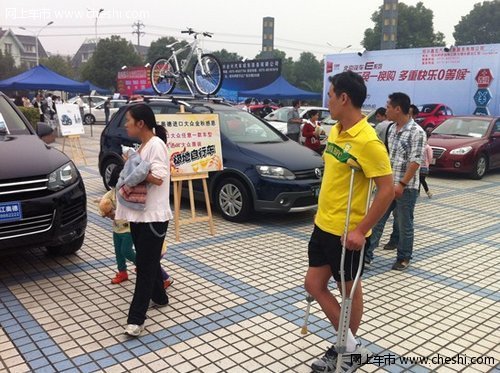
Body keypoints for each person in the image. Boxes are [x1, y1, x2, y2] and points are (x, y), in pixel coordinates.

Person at [305, 71, 394, 372]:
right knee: (314, 284)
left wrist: (360, 230)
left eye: (330, 95)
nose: (327, 101)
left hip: (346, 233)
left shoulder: (368, 141)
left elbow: (387, 189)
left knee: (349, 292)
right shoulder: (336, 131)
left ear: (344, 98)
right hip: (323, 225)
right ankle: (352, 346)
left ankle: (345, 348)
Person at [115, 103, 173, 337]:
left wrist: (134, 167)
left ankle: (136, 320)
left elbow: (159, 177)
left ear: (141, 123)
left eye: (128, 120)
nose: (126, 124)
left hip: (154, 218)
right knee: (147, 262)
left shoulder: (156, 145)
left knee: (145, 267)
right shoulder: (144, 145)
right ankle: (159, 296)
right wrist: (132, 161)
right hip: (140, 215)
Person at [365, 93, 426, 271]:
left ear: (398, 109)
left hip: (406, 189)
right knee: (376, 220)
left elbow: (415, 162)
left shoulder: (417, 132)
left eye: (389, 107)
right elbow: (388, 156)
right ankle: (367, 256)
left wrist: (401, 184)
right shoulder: (392, 128)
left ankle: (404, 257)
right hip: (387, 185)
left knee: (404, 224)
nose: (387, 110)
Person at [99, 166, 175, 287]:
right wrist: (105, 211)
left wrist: (115, 214)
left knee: (127, 251)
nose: (117, 187)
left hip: (129, 229)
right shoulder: (112, 193)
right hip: (117, 228)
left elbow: (134, 210)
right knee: (118, 252)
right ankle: (122, 272)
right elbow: (104, 204)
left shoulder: (131, 192)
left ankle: (157, 273)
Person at [419, 133, 433, 198]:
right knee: (420, 180)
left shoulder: (427, 147)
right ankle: (420, 192)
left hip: (422, 166)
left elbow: (430, 158)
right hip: (423, 166)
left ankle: (427, 192)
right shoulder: (427, 147)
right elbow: (430, 158)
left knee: (421, 179)